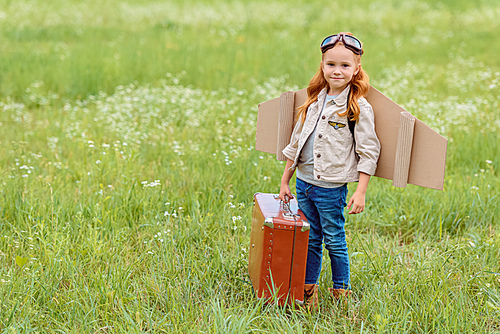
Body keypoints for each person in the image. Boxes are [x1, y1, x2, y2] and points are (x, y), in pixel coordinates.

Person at [279, 32, 380, 310]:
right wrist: (285, 181)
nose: (337, 71)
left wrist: (360, 192)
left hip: (331, 189)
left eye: (345, 66)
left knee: (334, 240)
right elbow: (296, 143)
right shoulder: (313, 100)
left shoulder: (357, 107)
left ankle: (341, 293)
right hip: (304, 183)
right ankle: (307, 290)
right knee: (310, 238)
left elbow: (368, 151)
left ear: (356, 68)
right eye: (331, 64)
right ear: (322, 66)